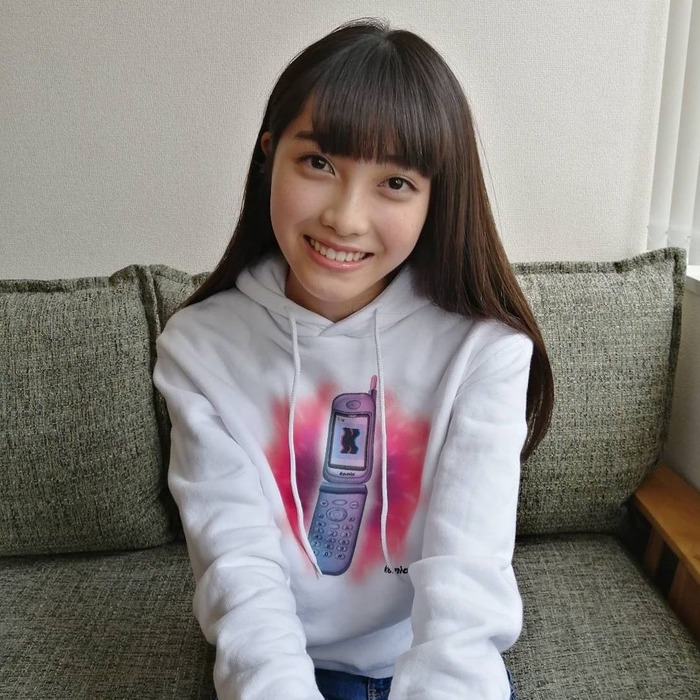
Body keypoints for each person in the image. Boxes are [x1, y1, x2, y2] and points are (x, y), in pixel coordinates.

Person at [153, 18, 553, 700]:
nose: (345, 217)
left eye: (394, 182)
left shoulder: (485, 351)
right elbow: (241, 577)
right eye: (319, 163)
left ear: (436, 198)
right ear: (269, 154)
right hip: (282, 665)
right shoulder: (198, 350)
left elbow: (464, 592)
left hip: (426, 659)